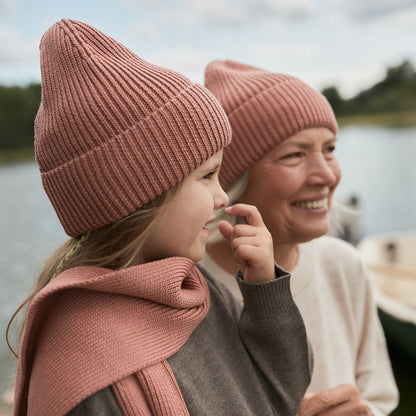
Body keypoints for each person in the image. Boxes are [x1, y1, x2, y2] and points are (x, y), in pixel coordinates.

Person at [8, 20, 313, 416]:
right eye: (206, 175)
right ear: (136, 193)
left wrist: (266, 293)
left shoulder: (190, 286)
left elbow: (281, 396)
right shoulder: (85, 370)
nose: (222, 195)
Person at [201, 60, 399, 416]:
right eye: (294, 154)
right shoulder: (186, 291)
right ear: (233, 181)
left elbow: (381, 398)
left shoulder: (343, 265)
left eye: (330, 149)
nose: (326, 174)